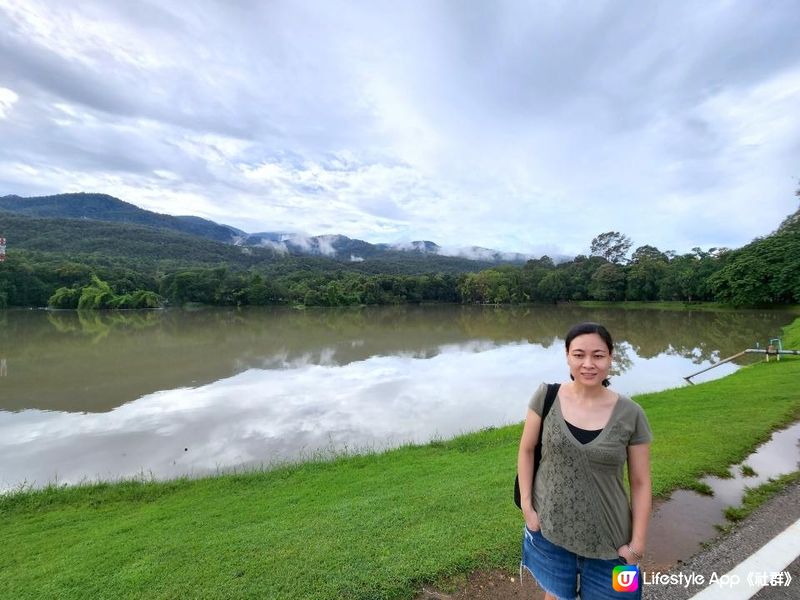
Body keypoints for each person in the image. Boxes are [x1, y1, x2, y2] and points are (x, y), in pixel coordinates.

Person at [517, 322, 652, 600]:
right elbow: (527, 450)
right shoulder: (546, 396)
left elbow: (640, 482)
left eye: (598, 355)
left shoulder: (631, 414)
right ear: (567, 356)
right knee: (554, 594)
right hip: (549, 534)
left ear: (611, 357)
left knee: (623, 596)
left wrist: (636, 545)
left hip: (613, 546)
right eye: (579, 355)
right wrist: (529, 509)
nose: (588, 364)